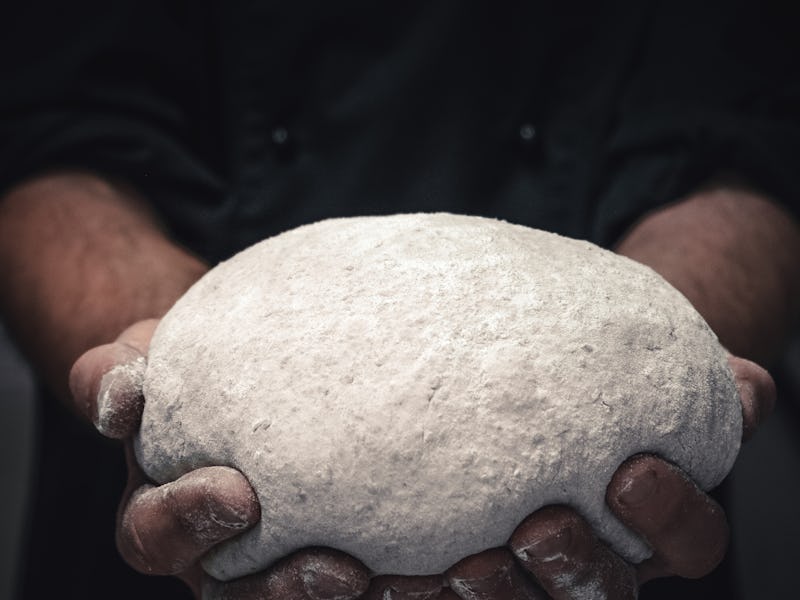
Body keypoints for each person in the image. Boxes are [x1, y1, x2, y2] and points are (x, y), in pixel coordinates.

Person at [0, 1, 798, 598]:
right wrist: (167, 372)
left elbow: (742, 138)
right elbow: (53, 135)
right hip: (158, 546)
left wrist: (672, 356)